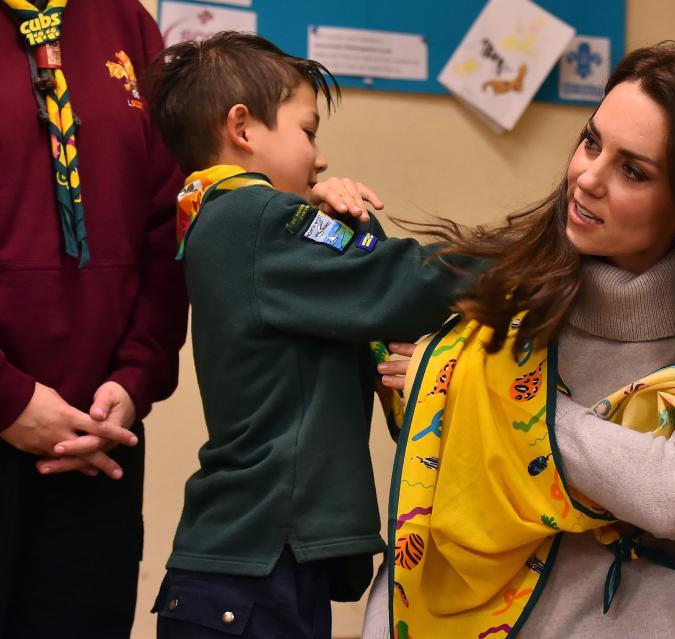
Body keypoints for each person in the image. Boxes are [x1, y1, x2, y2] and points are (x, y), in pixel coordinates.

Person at [362, 41, 675, 639]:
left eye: (633, 170)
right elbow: (438, 489)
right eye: (591, 142)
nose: (587, 178)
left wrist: (485, 391)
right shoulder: (508, 297)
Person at [143, 32, 478, 639]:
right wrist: (520, 260)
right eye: (308, 131)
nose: (320, 158)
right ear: (243, 129)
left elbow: (357, 295)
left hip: (251, 566)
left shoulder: (223, 219)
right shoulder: (255, 218)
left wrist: (348, 222)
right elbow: (390, 285)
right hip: (253, 571)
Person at [0, 0, 189, 636]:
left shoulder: (127, 24)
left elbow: (169, 228)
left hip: (100, 436)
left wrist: (135, 379)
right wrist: (8, 399)